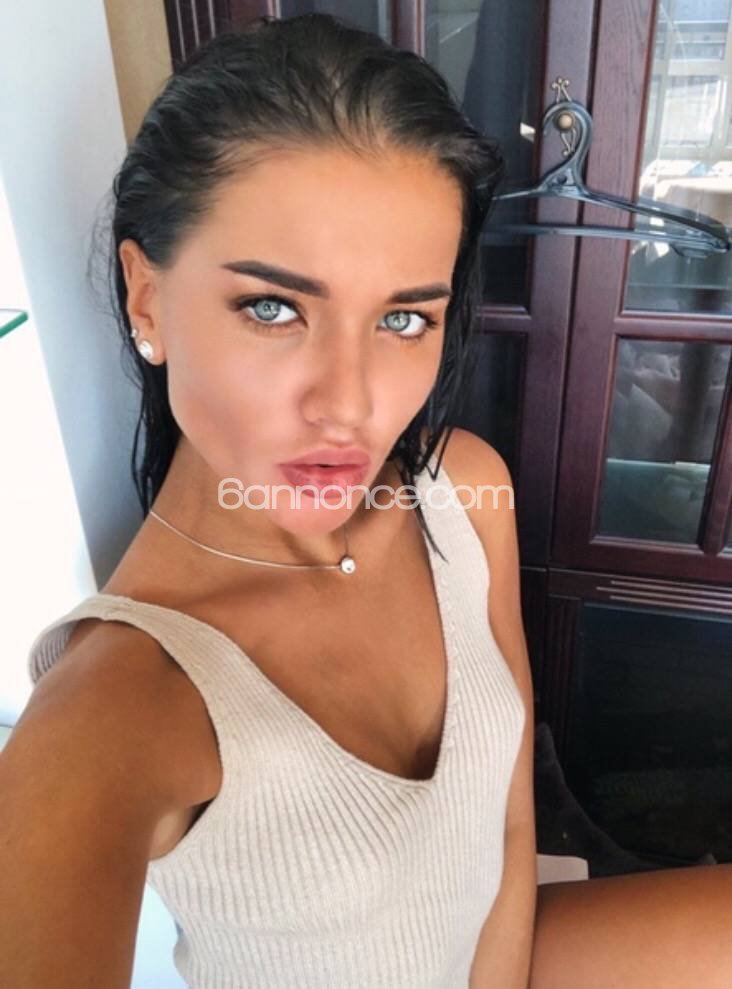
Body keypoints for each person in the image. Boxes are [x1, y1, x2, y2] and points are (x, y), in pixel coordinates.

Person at [1, 11, 729, 989]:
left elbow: (509, 814)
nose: (350, 405)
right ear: (146, 297)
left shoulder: (463, 489)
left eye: (403, 318)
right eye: (273, 307)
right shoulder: (116, 707)